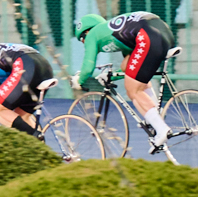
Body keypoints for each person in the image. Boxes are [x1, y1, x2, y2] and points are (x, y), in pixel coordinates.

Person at [72, 12, 182, 159]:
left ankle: (161, 129)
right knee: (137, 77)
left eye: (82, 39)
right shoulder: (113, 31)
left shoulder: (93, 34)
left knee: (132, 90)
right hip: (162, 31)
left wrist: (78, 81)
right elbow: (128, 66)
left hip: (146, 35)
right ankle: (154, 113)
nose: (83, 43)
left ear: (86, 31)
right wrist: (111, 76)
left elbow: (88, 67)